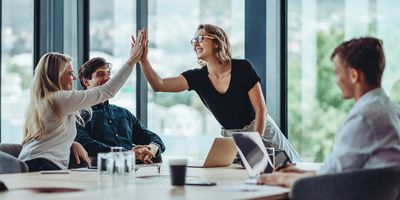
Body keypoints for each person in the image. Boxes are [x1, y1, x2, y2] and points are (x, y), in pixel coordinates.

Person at [138, 24, 301, 162]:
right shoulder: (197, 77)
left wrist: (253, 145)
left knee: (290, 171)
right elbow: (158, 85)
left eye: (201, 38)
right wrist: (143, 60)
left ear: (217, 42)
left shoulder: (243, 67)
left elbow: (261, 110)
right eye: (194, 40)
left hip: (261, 130)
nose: (195, 44)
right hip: (232, 141)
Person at [257, 37, 400, 187]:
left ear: (354, 75)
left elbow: (329, 180)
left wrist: (278, 179)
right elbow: (339, 170)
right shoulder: (392, 110)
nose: (336, 81)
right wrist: (299, 173)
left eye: (337, 73)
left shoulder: (364, 118)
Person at [18, 30, 145, 172]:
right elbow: (107, 91)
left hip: (33, 163)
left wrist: (72, 143)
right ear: (56, 76)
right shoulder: (58, 99)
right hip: (42, 166)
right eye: (69, 73)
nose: (74, 78)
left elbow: (49, 137)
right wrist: (132, 60)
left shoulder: (45, 101)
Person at [75, 57, 165, 164]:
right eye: (100, 74)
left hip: (134, 172)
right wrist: (127, 153)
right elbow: (86, 144)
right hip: (101, 172)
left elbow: (153, 138)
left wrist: (152, 148)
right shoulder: (79, 115)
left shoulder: (123, 113)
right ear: (86, 82)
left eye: (108, 74)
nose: (108, 78)